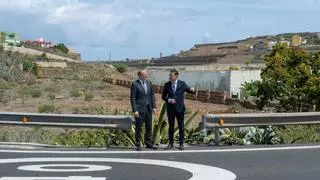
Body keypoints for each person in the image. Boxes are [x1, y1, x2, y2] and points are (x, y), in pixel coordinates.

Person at [161, 69, 195, 150]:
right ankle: (171, 143)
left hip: (180, 109)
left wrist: (192, 90)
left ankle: (181, 144)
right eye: (169, 75)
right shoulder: (167, 84)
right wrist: (169, 100)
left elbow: (189, 90)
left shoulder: (182, 83)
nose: (169, 77)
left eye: (171, 75)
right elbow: (163, 96)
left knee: (181, 127)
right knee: (171, 127)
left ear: (176, 76)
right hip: (170, 109)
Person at [130, 69, 157, 151]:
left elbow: (152, 95)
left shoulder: (149, 83)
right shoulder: (135, 84)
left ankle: (149, 143)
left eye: (146, 74)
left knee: (149, 127)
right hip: (139, 109)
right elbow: (133, 98)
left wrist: (154, 107)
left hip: (148, 109)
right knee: (139, 127)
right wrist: (135, 110)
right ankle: (138, 144)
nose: (146, 76)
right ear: (139, 75)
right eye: (144, 74)